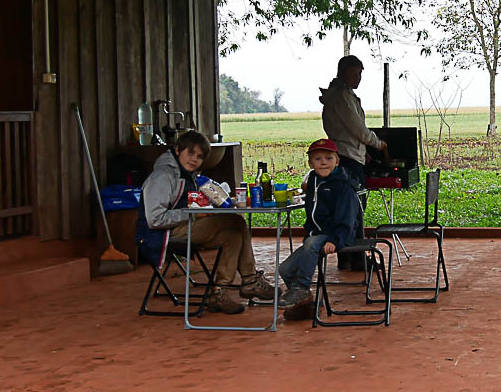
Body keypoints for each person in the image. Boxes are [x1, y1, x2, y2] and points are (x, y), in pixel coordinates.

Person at [136, 130, 276, 314]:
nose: (194, 159)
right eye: (190, 153)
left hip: (186, 227)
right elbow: (155, 220)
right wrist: (194, 214)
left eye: (200, 156)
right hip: (164, 234)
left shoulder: (188, 175)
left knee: (232, 236)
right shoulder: (162, 176)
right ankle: (249, 281)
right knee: (236, 221)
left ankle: (219, 293)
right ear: (178, 150)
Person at [278, 138, 359, 317]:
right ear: (310, 163)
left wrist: (335, 240)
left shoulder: (343, 186)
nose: (323, 162)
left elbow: (348, 218)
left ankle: (301, 288)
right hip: (315, 235)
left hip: (334, 234)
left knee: (312, 243)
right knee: (285, 269)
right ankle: (306, 305)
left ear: (337, 161)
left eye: (329, 158)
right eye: (318, 159)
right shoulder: (314, 181)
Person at [320, 54, 385, 270]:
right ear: (345, 72)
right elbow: (357, 129)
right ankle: (356, 257)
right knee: (354, 209)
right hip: (348, 159)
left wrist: (363, 150)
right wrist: (378, 144)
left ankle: (347, 256)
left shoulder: (338, 95)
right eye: (356, 73)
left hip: (347, 153)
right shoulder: (342, 97)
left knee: (347, 208)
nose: (359, 78)